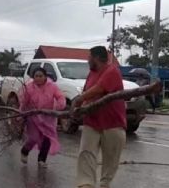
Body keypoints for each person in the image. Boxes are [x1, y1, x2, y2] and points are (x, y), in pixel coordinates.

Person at [73, 46, 126, 188]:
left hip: (112, 123)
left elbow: (99, 88)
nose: (87, 60)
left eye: (89, 57)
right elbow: (88, 91)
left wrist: (79, 99)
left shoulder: (112, 70)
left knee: (111, 159)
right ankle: (86, 184)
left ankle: (104, 185)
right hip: (92, 121)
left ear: (96, 58)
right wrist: (80, 108)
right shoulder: (91, 73)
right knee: (86, 153)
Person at [19, 67, 66, 168]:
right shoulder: (29, 87)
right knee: (33, 138)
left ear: (45, 77)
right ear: (33, 77)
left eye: (41, 76)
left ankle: (42, 160)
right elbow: (24, 102)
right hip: (33, 117)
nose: (38, 78)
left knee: (47, 138)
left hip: (48, 117)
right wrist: (21, 113)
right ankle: (25, 151)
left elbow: (60, 97)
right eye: (36, 76)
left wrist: (59, 106)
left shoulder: (52, 86)